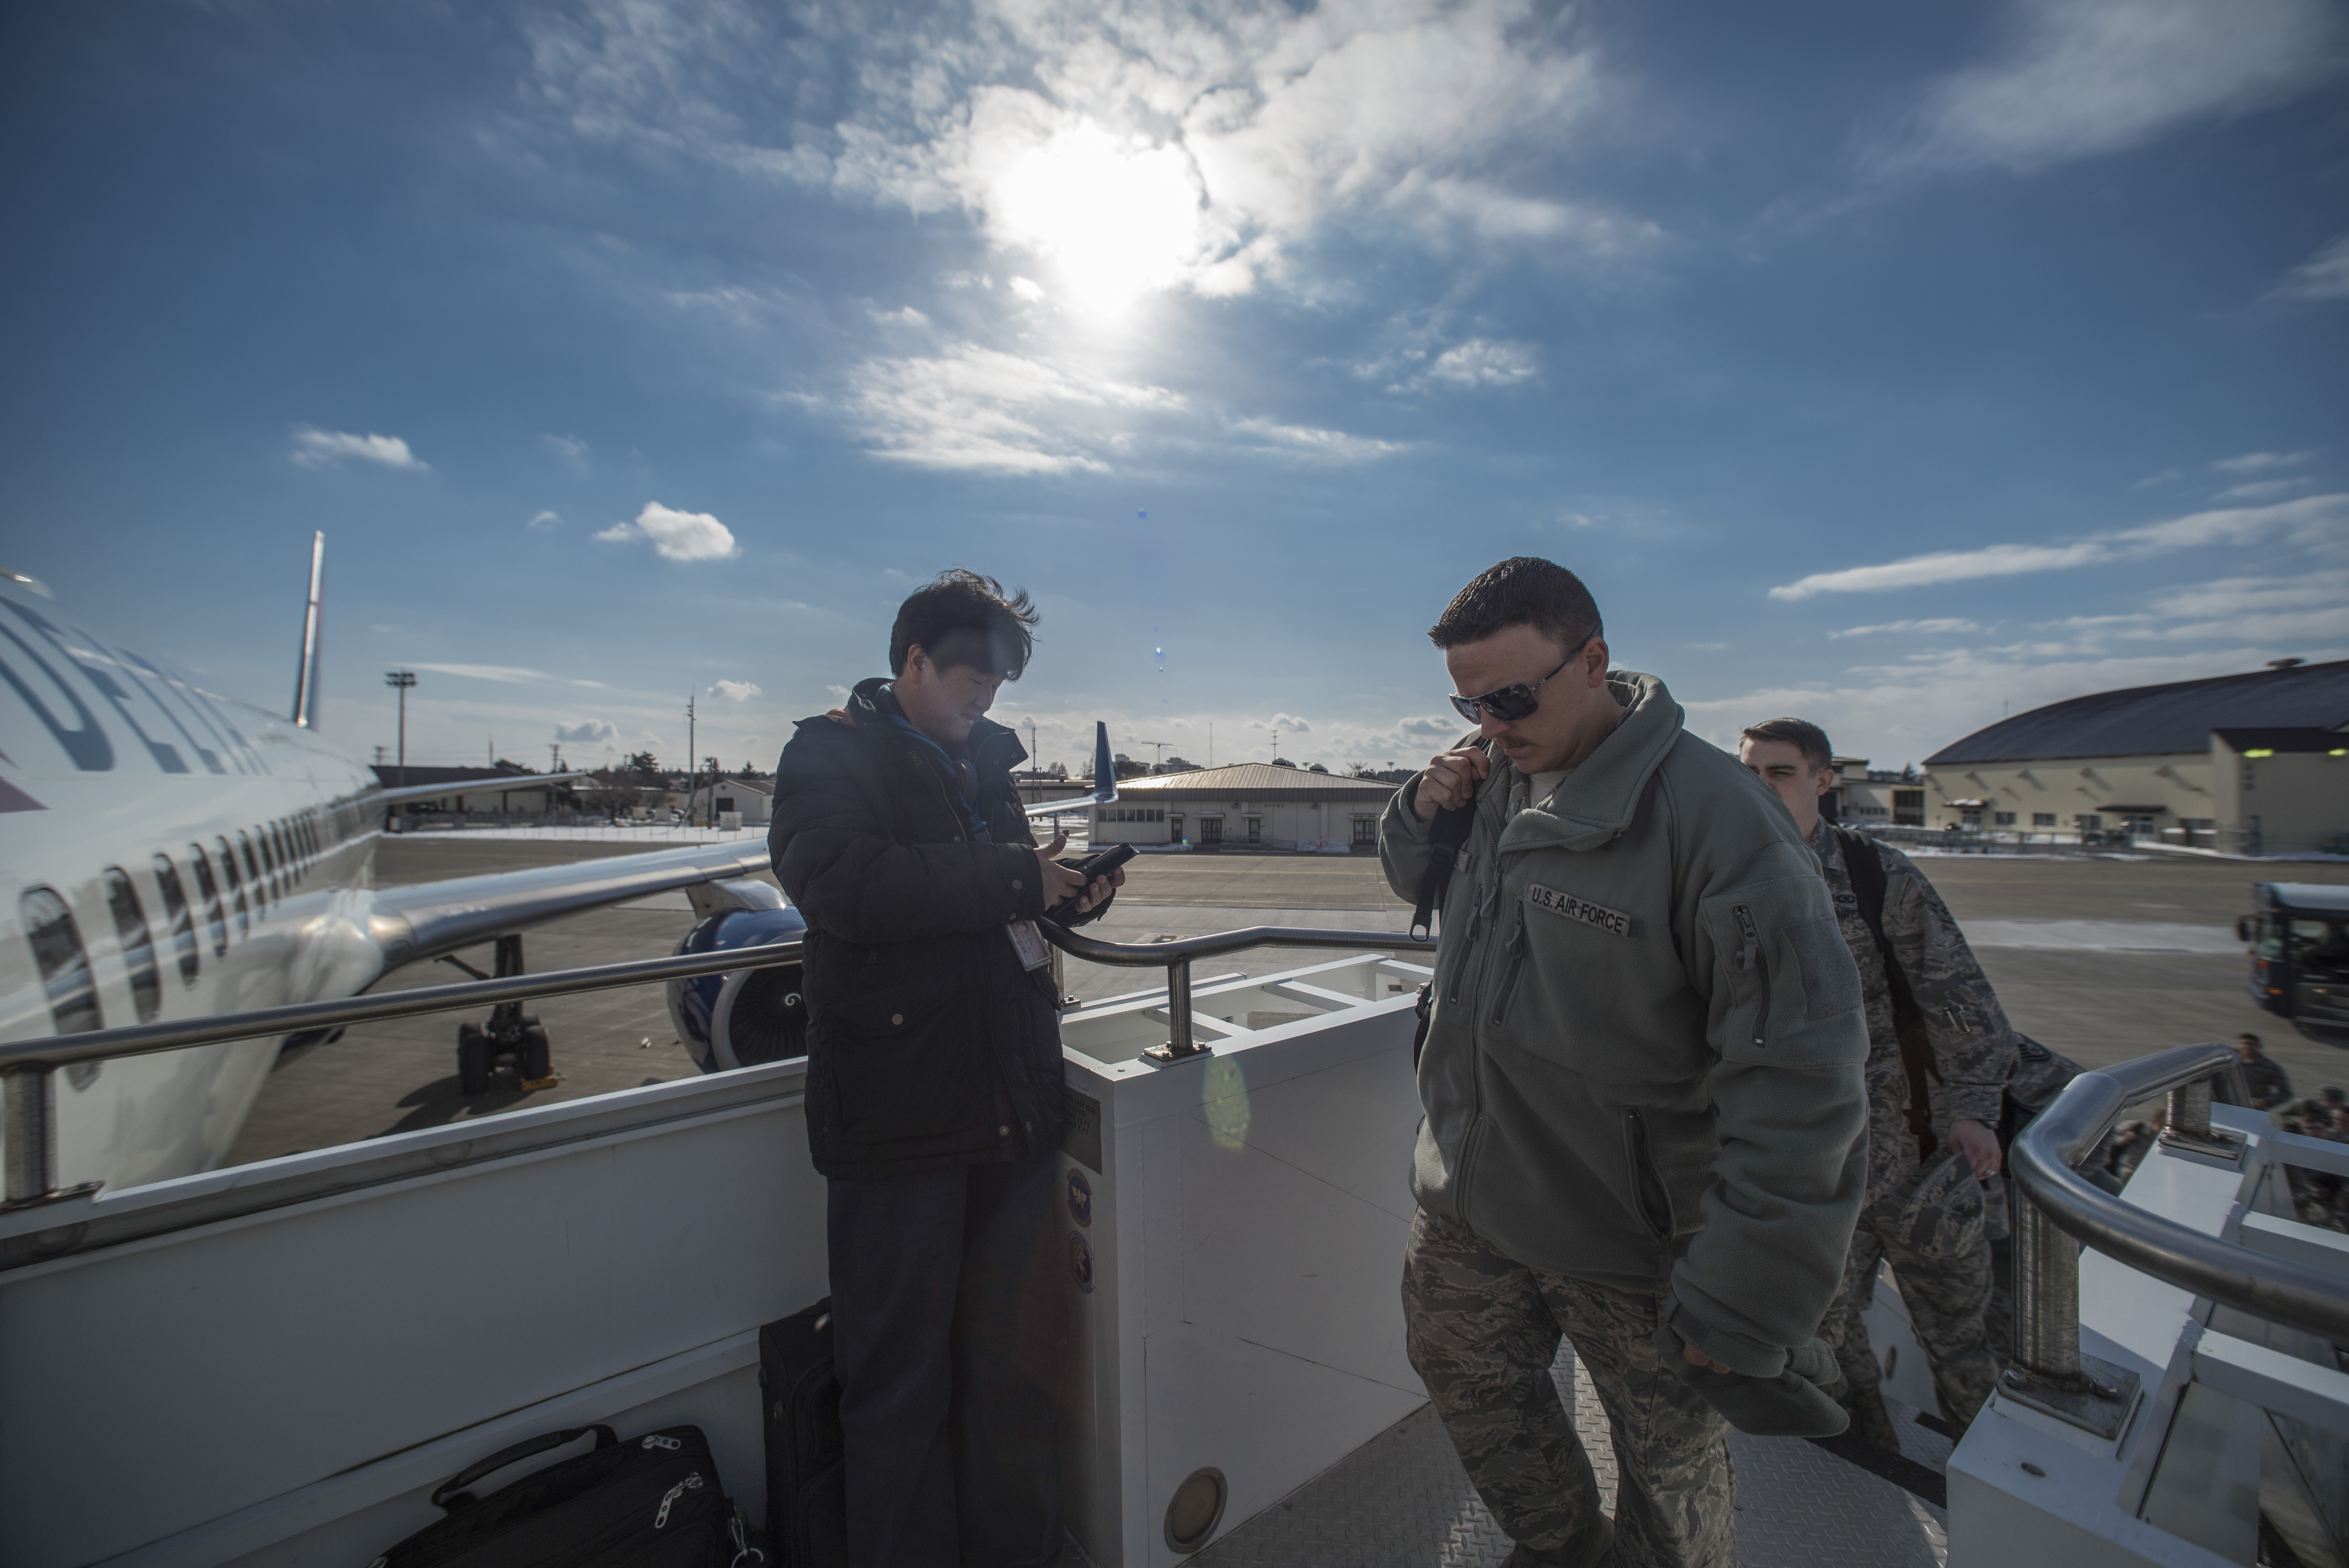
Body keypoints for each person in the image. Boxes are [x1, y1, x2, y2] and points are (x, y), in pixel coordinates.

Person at [1383, 558, 1868, 1568]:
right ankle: (1563, 1547)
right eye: (1469, 700)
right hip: (1475, 1199)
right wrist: (1423, 810)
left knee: (1674, 1484)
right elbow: (1411, 882)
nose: (1489, 720)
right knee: (1462, 1376)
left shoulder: (1718, 819)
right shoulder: (1493, 773)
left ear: (1594, 661)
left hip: (1635, 1241)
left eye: (1510, 695)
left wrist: (1747, 1290)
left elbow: (1802, 1075)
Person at [769, 569, 1124, 1568]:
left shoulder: (982, 764)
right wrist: (1017, 874)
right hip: (901, 1117)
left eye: (999, 680)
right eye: (970, 674)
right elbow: (843, 885)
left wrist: (1061, 894)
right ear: (911, 660)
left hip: (1009, 1101)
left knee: (1015, 1372)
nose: (985, 697)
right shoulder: (827, 751)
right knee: (898, 1383)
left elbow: (988, 900)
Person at [1738, 717, 2018, 1450]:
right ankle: (1869, 1451)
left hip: (1916, 1164)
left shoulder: (1875, 874)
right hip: (1813, 1171)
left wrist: (1974, 1111)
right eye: (1751, 773)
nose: (1762, 787)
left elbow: (1960, 1000)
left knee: (1962, 1338)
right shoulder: (1730, 884)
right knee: (1823, 1334)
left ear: (1823, 782)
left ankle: (1984, 1488)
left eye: (1780, 773)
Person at [2234, 1032, 2292, 1111]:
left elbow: (2285, 1093)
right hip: (2228, 1104)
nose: (2246, 1047)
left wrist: (2266, 1102)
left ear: (2259, 1047)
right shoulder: (2229, 1061)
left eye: (2250, 1044)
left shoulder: (2271, 1068)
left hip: (2254, 1109)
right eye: (2243, 1044)